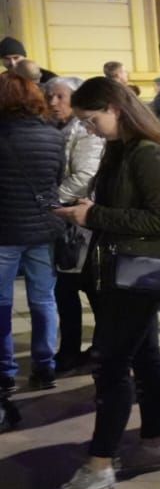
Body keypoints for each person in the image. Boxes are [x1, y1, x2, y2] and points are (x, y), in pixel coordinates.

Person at [44, 78, 160, 489]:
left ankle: (99, 464)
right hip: (124, 270)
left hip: (141, 273)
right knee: (145, 356)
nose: (91, 130)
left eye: (93, 121)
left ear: (116, 108)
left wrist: (93, 215)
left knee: (112, 365)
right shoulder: (122, 150)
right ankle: (153, 444)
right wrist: (83, 209)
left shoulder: (149, 154)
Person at [0, 73, 66, 393]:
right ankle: (45, 366)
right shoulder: (53, 136)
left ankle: (5, 370)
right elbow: (56, 177)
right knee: (43, 300)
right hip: (43, 229)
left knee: (1, 303)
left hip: (5, 231)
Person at [46, 77, 104, 374]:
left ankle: (88, 349)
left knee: (82, 287)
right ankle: (76, 349)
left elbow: (84, 176)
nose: (53, 102)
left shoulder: (85, 130)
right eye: (50, 97)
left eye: (60, 96)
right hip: (66, 220)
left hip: (80, 221)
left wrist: (51, 202)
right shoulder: (57, 128)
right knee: (69, 289)